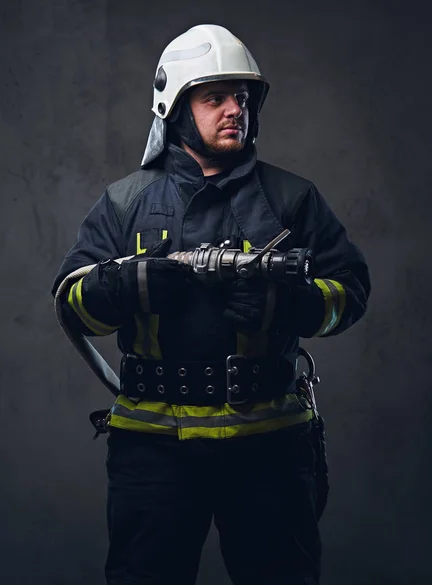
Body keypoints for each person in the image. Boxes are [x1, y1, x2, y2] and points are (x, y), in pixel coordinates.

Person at [51, 24, 370, 585]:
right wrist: (128, 286)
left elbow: (350, 291)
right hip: (153, 454)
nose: (234, 111)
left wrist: (292, 305)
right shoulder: (125, 203)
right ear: (174, 107)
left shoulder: (291, 200)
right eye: (214, 98)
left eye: (242, 99)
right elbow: (72, 305)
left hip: (268, 449)